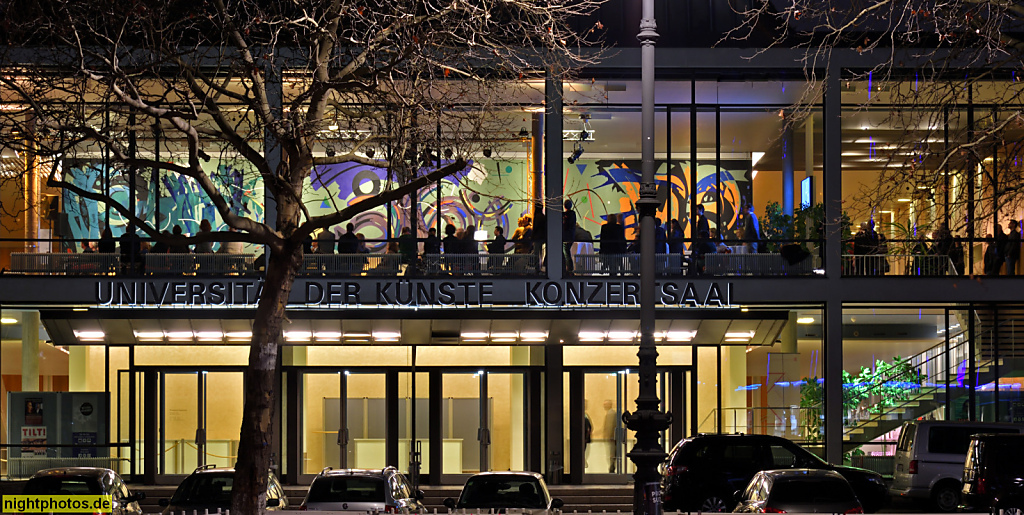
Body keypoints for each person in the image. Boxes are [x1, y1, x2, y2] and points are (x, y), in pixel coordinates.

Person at [603, 399, 619, 473]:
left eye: (606, 404)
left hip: (612, 438)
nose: (604, 406)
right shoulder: (610, 413)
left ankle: (612, 468)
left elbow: (610, 426)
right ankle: (612, 467)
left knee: (612, 453)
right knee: (612, 453)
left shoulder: (611, 414)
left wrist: (609, 436)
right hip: (612, 437)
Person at [562, 200, 577, 274]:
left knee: (566, 253)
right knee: (567, 253)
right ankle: (569, 268)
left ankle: (569, 269)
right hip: (570, 236)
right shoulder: (572, 214)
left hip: (566, 237)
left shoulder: (566, 215)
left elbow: (566, 225)